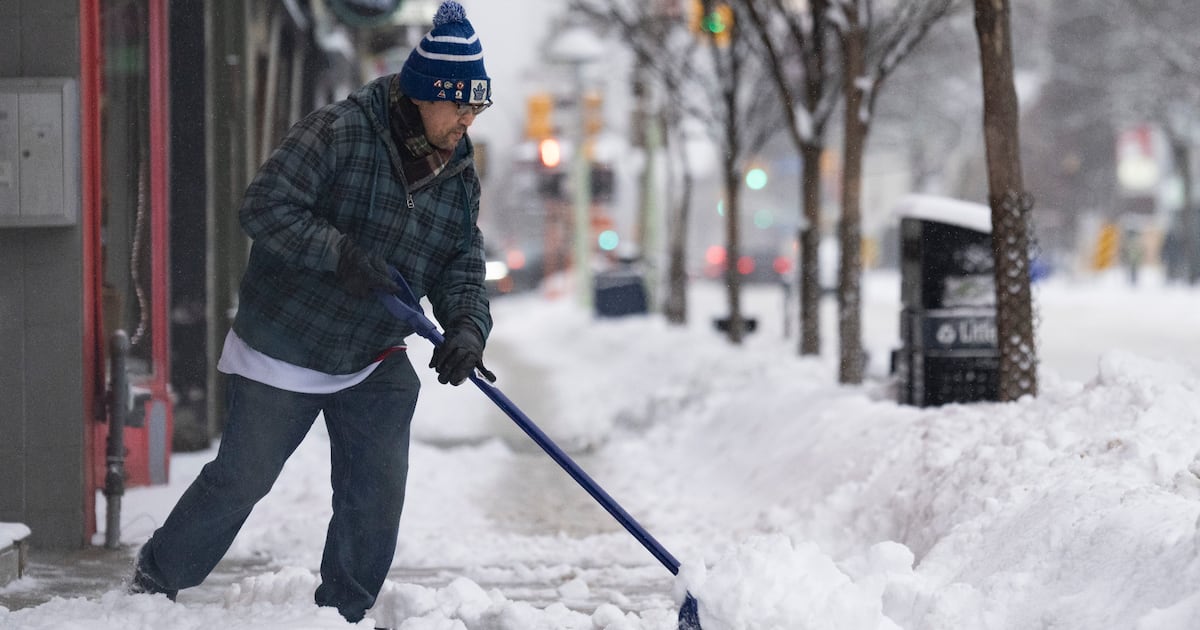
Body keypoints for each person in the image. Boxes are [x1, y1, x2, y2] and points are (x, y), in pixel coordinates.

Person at [128, 1, 495, 623]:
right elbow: (265, 207)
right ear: (423, 94)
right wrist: (340, 254)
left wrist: (466, 327)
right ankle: (154, 578)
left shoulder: (456, 171)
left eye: (477, 108)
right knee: (242, 479)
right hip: (287, 341)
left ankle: (343, 612)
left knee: (375, 492)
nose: (468, 119)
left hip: (373, 351)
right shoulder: (340, 131)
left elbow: (461, 259)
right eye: (460, 105)